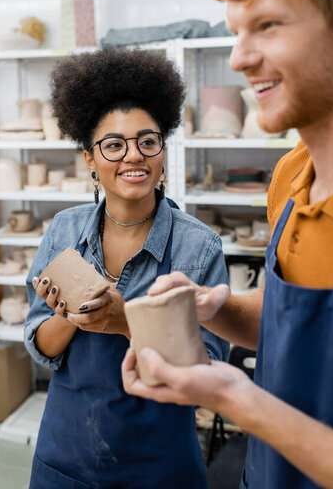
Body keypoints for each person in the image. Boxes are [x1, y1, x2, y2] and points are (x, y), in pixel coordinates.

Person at [122, 0, 333, 489]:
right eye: (235, 31)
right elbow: (287, 326)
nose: (239, 58)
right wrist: (214, 308)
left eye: (268, 25)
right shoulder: (291, 177)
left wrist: (237, 399)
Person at [24, 48, 229, 489]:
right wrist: (68, 315)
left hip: (158, 467)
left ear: (162, 149)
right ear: (90, 160)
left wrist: (125, 322)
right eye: (114, 145)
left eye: (147, 141)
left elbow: (208, 372)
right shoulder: (64, 230)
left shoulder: (199, 246)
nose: (133, 156)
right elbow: (40, 344)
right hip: (66, 460)